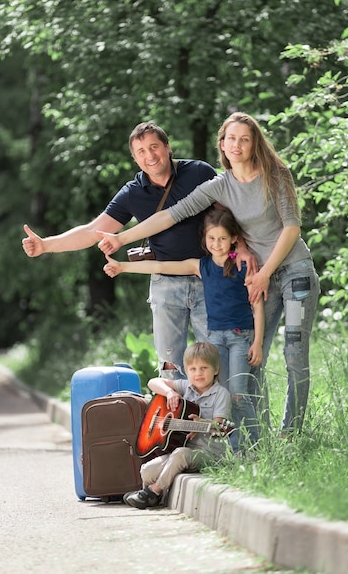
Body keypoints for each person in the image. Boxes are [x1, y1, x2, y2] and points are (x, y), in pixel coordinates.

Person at [98, 112, 320, 436]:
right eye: (231, 139)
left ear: (254, 143)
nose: (237, 145)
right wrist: (121, 238)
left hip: (292, 270)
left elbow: (291, 228)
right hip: (258, 277)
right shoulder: (220, 186)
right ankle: (255, 437)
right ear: (222, 144)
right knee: (252, 356)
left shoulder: (276, 175)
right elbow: (171, 215)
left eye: (245, 138)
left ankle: (293, 435)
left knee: (294, 355)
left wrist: (264, 273)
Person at [22, 120, 255, 380]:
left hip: (211, 279)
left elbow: (231, 214)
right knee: (170, 366)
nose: (150, 156)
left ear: (167, 148)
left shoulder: (199, 172)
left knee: (217, 357)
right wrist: (46, 244)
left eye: (154, 147)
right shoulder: (133, 193)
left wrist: (241, 249)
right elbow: (94, 230)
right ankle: (175, 420)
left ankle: (222, 420)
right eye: (141, 152)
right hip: (166, 284)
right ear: (134, 158)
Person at [104, 205, 263, 451]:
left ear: (234, 238)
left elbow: (258, 305)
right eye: (211, 238)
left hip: (242, 338)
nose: (217, 244)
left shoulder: (242, 265)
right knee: (222, 391)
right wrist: (123, 266)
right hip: (215, 340)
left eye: (222, 238)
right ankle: (229, 447)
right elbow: (161, 267)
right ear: (205, 239)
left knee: (239, 394)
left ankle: (255, 447)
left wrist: (258, 342)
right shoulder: (201, 266)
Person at [123, 341, 231, 509]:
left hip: (209, 455)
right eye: (193, 369)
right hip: (182, 452)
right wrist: (169, 392)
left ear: (215, 370)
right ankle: (149, 495)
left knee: (180, 453)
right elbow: (153, 382)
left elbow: (219, 426)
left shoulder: (221, 394)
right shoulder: (186, 386)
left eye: (204, 368)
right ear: (186, 371)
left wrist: (202, 423)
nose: (198, 374)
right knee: (146, 470)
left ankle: (153, 493)